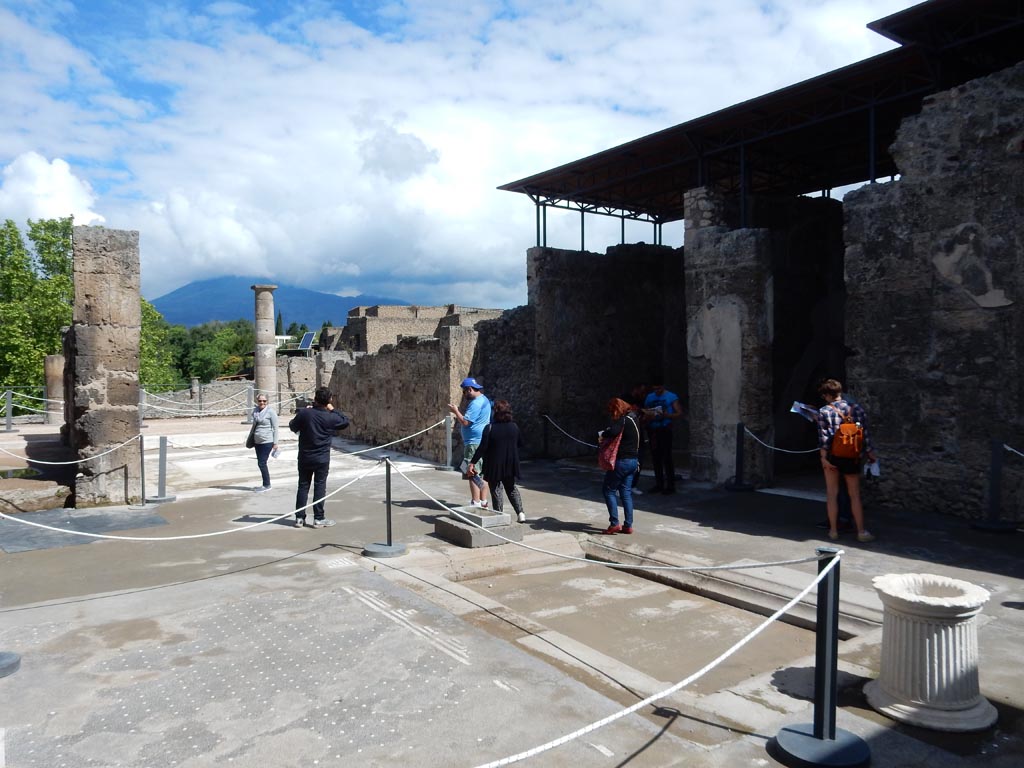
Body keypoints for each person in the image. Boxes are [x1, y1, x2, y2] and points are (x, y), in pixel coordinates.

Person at [817, 378, 877, 543]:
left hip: (832, 456)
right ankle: (861, 531)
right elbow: (863, 434)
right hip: (852, 457)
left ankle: (833, 531)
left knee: (832, 494)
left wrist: (823, 458)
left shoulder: (824, 411)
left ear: (827, 395)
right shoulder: (856, 409)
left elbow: (823, 438)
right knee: (855, 495)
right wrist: (870, 452)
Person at [288, 386, 349, 528]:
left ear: (315, 399)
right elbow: (345, 421)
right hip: (321, 458)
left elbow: (292, 426)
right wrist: (332, 408)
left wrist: (306, 414)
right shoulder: (331, 416)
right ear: (329, 400)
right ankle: (318, 518)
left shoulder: (305, 413)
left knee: (303, 486)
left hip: (305, 456)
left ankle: (299, 518)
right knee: (320, 486)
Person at [469, 399, 526, 523]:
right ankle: (520, 513)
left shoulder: (489, 428)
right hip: (510, 463)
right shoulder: (514, 427)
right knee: (511, 488)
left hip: (494, 463)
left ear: (495, 412)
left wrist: (472, 462)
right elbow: (521, 443)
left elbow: (482, 448)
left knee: (496, 489)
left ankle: (499, 514)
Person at [598, 397, 642, 534]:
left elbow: (612, 432)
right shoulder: (634, 419)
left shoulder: (623, 420)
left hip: (622, 462)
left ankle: (614, 524)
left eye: (613, 411)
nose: (612, 414)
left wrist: (602, 434)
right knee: (626, 493)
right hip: (633, 462)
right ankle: (628, 525)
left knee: (608, 490)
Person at [448, 376, 492, 508]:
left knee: (471, 471)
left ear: (470, 389)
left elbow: (466, 422)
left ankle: (476, 501)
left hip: (473, 443)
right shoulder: (484, 399)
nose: (464, 395)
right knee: (481, 472)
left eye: (464, 391)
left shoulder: (475, 404)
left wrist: (455, 411)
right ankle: (483, 501)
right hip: (481, 441)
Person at [643, 381, 683, 494]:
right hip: (653, 429)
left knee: (667, 458)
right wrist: (648, 416)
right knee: (656, 458)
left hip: (665, 429)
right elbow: (646, 411)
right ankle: (659, 484)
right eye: (655, 389)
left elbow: (679, 413)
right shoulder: (650, 397)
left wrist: (667, 415)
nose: (657, 391)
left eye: (659, 389)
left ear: (663, 387)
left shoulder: (671, 396)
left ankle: (670, 486)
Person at [251, 394, 279, 492]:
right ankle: (265, 484)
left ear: (267, 401)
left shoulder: (271, 412)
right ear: (257, 401)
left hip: (267, 441)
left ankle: (267, 484)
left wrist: (275, 443)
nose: (262, 403)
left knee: (262, 463)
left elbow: (275, 428)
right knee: (260, 463)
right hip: (257, 441)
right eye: (260, 401)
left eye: (264, 401)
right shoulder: (255, 411)